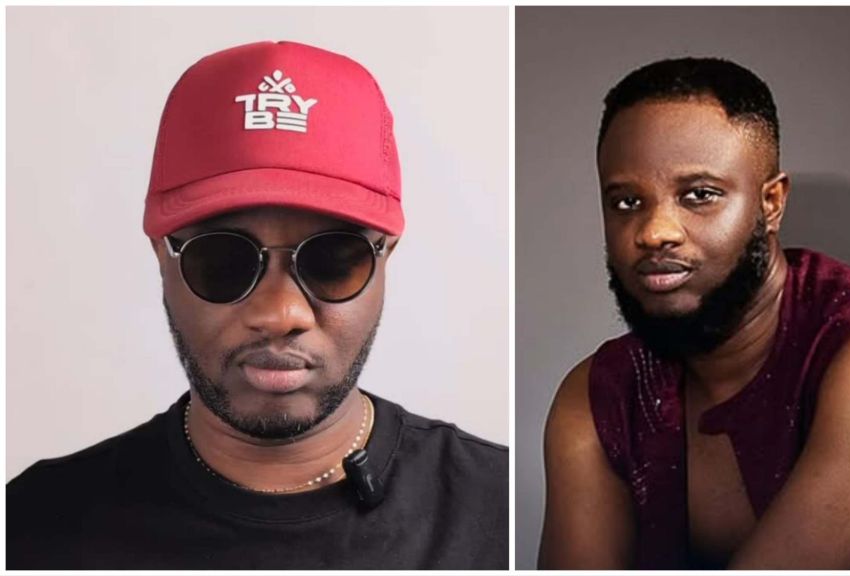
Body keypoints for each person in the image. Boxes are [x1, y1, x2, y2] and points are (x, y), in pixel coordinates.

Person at [7, 41, 508, 570]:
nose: (280, 313)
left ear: (386, 258)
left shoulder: (492, 513)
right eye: (221, 260)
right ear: (162, 254)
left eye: (334, 260)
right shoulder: (33, 530)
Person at [539, 57, 850, 570]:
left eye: (699, 195)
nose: (655, 231)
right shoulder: (596, 398)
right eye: (626, 202)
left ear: (771, 203)